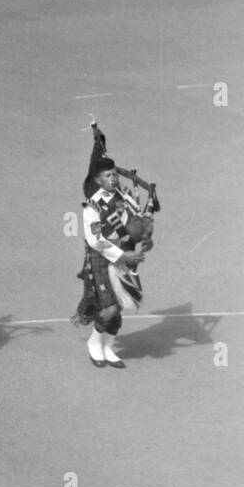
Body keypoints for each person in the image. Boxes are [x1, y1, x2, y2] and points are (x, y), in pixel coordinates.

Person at [74, 132, 150, 368]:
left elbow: (134, 220)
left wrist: (144, 233)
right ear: (98, 179)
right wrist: (123, 255)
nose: (114, 179)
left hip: (124, 256)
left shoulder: (122, 196)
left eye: (115, 174)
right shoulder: (92, 206)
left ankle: (109, 347)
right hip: (101, 258)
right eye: (108, 175)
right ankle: (94, 343)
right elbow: (96, 240)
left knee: (123, 305)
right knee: (109, 308)